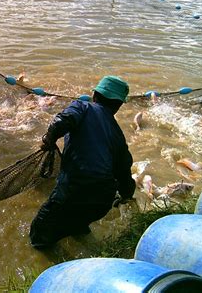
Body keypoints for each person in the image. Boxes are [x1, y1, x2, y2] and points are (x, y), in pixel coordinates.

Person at [29, 76, 135, 250]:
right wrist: (126, 196)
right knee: (77, 223)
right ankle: (81, 235)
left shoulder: (82, 106)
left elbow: (62, 121)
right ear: (118, 105)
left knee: (39, 234)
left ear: (94, 95)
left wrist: (48, 139)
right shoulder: (117, 134)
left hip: (74, 189)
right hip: (102, 202)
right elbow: (124, 172)